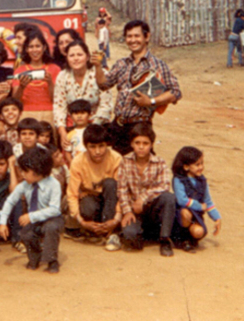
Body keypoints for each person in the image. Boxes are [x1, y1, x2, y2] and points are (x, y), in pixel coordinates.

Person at [94, 20, 182, 155]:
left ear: (146, 37)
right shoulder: (121, 64)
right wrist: (98, 66)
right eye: (129, 36)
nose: (132, 40)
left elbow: (175, 92)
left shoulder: (157, 65)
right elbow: (103, 84)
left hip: (141, 127)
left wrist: (151, 102)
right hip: (118, 125)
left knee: (142, 167)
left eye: (137, 36)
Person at [0, 147, 63, 273]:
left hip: (52, 218)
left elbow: (55, 209)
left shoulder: (54, 184)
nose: (22, 174)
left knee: (51, 228)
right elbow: (10, 201)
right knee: (25, 233)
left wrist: (32, 216)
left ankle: (52, 260)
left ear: (38, 172)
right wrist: (2, 222)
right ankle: (35, 256)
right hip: (34, 220)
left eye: (25, 171)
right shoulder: (25, 184)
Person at [118, 124, 176, 257]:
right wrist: (127, 211)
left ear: (151, 145)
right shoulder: (125, 161)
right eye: (137, 142)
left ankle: (164, 239)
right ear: (132, 144)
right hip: (134, 211)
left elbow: (164, 185)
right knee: (130, 236)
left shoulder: (159, 162)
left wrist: (143, 198)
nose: (141, 146)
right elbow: (122, 189)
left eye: (145, 143)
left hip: (153, 208)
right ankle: (139, 234)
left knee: (169, 197)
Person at [66, 125, 122, 251]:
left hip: (111, 200)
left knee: (110, 183)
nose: (98, 151)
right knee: (87, 206)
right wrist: (81, 221)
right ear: (86, 147)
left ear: (107, 145)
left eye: (101, 146)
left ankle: (110, 230)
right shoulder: (78, 161)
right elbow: (72, 194)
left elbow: (122, 192)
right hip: (92, 198)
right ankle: (95, 228)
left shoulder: (116, 158)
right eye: (93, 147)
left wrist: (116, 219)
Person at [54, 40, 113, 150]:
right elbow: (59, 106)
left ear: (87, 57)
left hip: (97, 126)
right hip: (71, 127)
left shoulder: (101, 73)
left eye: (80, 54)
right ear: (67, 58)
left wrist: (90, 130)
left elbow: (106, 104)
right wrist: (62, 133)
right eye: (72, 55)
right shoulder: (62, 76)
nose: (76, 58)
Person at [171, 146, 221, 252]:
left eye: (202, 163)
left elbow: (208, 201)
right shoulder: (179, 180)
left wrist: (217, 218)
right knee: (185, 213)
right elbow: (182, 200)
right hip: (180, 215)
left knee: (198, 231)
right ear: (186, 166)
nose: (201, 167)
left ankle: (190, 240)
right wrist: (199, 206)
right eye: (197, 164)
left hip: (196, 215)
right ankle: (180, 238)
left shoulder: (202, 181)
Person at [12, 30, 61, 124]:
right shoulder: (20, 70)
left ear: (44, 48)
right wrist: (22, 87)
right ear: (26, 49)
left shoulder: (55, 69)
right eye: (31, 47)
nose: (34, 50)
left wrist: (50, 83)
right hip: (26, 114)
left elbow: (57, 99)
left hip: (50, 113)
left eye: (38, 46)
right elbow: (15, 101)